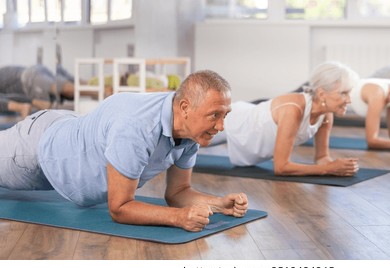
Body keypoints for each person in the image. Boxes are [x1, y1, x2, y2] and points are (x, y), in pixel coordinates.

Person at [0, 70, 248, 232]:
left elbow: (178, 192)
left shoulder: (191, 131)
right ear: (185, 107)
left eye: (225, 115)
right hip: (36, 149)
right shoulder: (137, 128)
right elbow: (119, 208)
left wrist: (217, 204)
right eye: (214, 115)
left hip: (67, 135)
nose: (221, 126)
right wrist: (179, 217)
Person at [210, 61, 360, 177]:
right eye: (343, 93)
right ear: (321, 94)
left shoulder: (326, 115)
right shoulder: (293, 110)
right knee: (190, 143)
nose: (349, 100)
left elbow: (322, 157)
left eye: (349, 93)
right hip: (236, 121)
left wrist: (339, 168)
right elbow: (281, 167)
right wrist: (327, 169)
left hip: (250, 126)